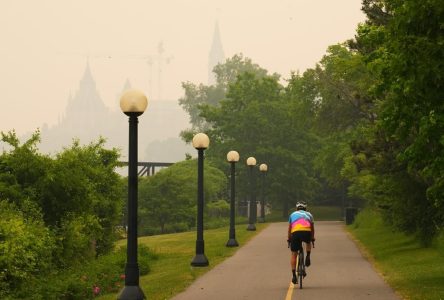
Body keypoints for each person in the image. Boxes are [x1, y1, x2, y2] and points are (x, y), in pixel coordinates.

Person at [287, 201, 315, 284]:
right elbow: (312, 228)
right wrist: (312, 238)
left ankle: (294, 276)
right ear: (305, 208)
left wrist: (289, 239)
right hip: (306, 232)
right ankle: (308, 256)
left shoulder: (292, 214)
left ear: (297, 208)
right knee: (308, 242)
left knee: (294, 254)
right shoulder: (309, 214)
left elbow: (289, 229)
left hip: (295, 233)